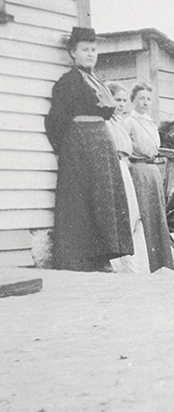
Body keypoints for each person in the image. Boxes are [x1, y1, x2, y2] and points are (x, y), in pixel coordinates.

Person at [44, 26, 133, 271]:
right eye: (85, 49)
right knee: (84, 201)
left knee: (104, 198)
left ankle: (104, 255)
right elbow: (55, 120)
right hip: (80, 146)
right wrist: (67, 149)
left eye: (94, 49)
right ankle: (86, 259)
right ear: (73, 52)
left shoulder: (96, 80)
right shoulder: (69, 81)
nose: (91, 54)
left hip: (101, 143)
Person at [123, 82, 174, 272]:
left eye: (148, 99)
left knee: (156, 218)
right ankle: (146, 265)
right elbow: (124, 150)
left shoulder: (150, 122)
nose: (145, 102)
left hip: (153, 172)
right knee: (143, 216)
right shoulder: (129, 122)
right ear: (133, 101)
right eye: (141, 98)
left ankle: (160, 264)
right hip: (138, 171)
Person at [106, 82, 151, 274]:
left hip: (124, 168)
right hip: (113, 169)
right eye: (118, 100)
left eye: (124, 101)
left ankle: (135, 266)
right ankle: (120, 265)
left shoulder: (118, 123)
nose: (122, 104)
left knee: (133, 217)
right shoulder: (106, 123)